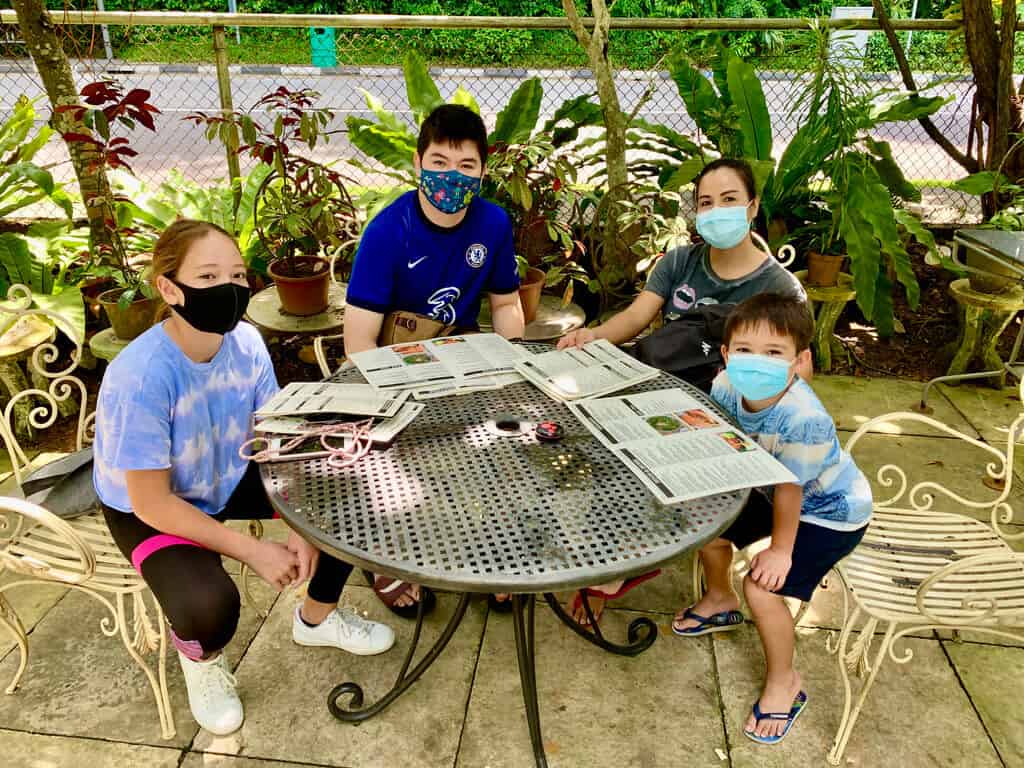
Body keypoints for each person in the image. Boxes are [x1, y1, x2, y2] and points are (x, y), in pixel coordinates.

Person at [95, 220, 396, 737]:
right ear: (169, 288)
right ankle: (202, 661)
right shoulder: (140, 376)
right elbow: (151, 503)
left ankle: (318, 618)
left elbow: (273, 436)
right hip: (149, 507)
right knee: (208, 607)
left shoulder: (247, 343)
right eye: (208, 276)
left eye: (237, 274)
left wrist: (304, 523)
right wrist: (252, 550)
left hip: (229, 470)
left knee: (356, 494)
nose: (229, 289)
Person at [558, 157, 807, 625]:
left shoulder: (779, 288)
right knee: (603, 435)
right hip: (665, 403)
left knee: (697, 480)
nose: (716, 211)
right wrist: (588, 338)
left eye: (729, 200)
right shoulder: (679, 262)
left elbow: (797, 381)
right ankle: (618, 552)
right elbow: (635, 319)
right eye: (705, 203)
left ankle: (711, 589)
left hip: (734, 425)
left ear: (752, 207)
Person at [344, 103, 525, 616]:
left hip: (461, 359)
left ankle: (495, 549)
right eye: (440, 162)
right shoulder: (388, 232)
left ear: (483, 172)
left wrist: (511, 355)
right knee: (390, 464)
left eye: (466, 166)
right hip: (389, 367)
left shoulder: (493, 223)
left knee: (508, 442)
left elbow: (506, 303)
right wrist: (395, 393)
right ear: (419, 164)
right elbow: (357, 343)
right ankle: (383, 559)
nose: (452, 176)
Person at [673, 293, 872, 745]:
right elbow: (719, 432)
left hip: (831, 512)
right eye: (744, 349)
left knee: (762, 588)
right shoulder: (725, 384)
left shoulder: (804, 418)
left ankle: (786, 681)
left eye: (774, 352)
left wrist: (781, 550)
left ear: (799, 360)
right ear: (725, 354)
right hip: (770, 484)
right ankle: (720, 600)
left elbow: (790, 489)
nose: (756, 361)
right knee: (708, 525)